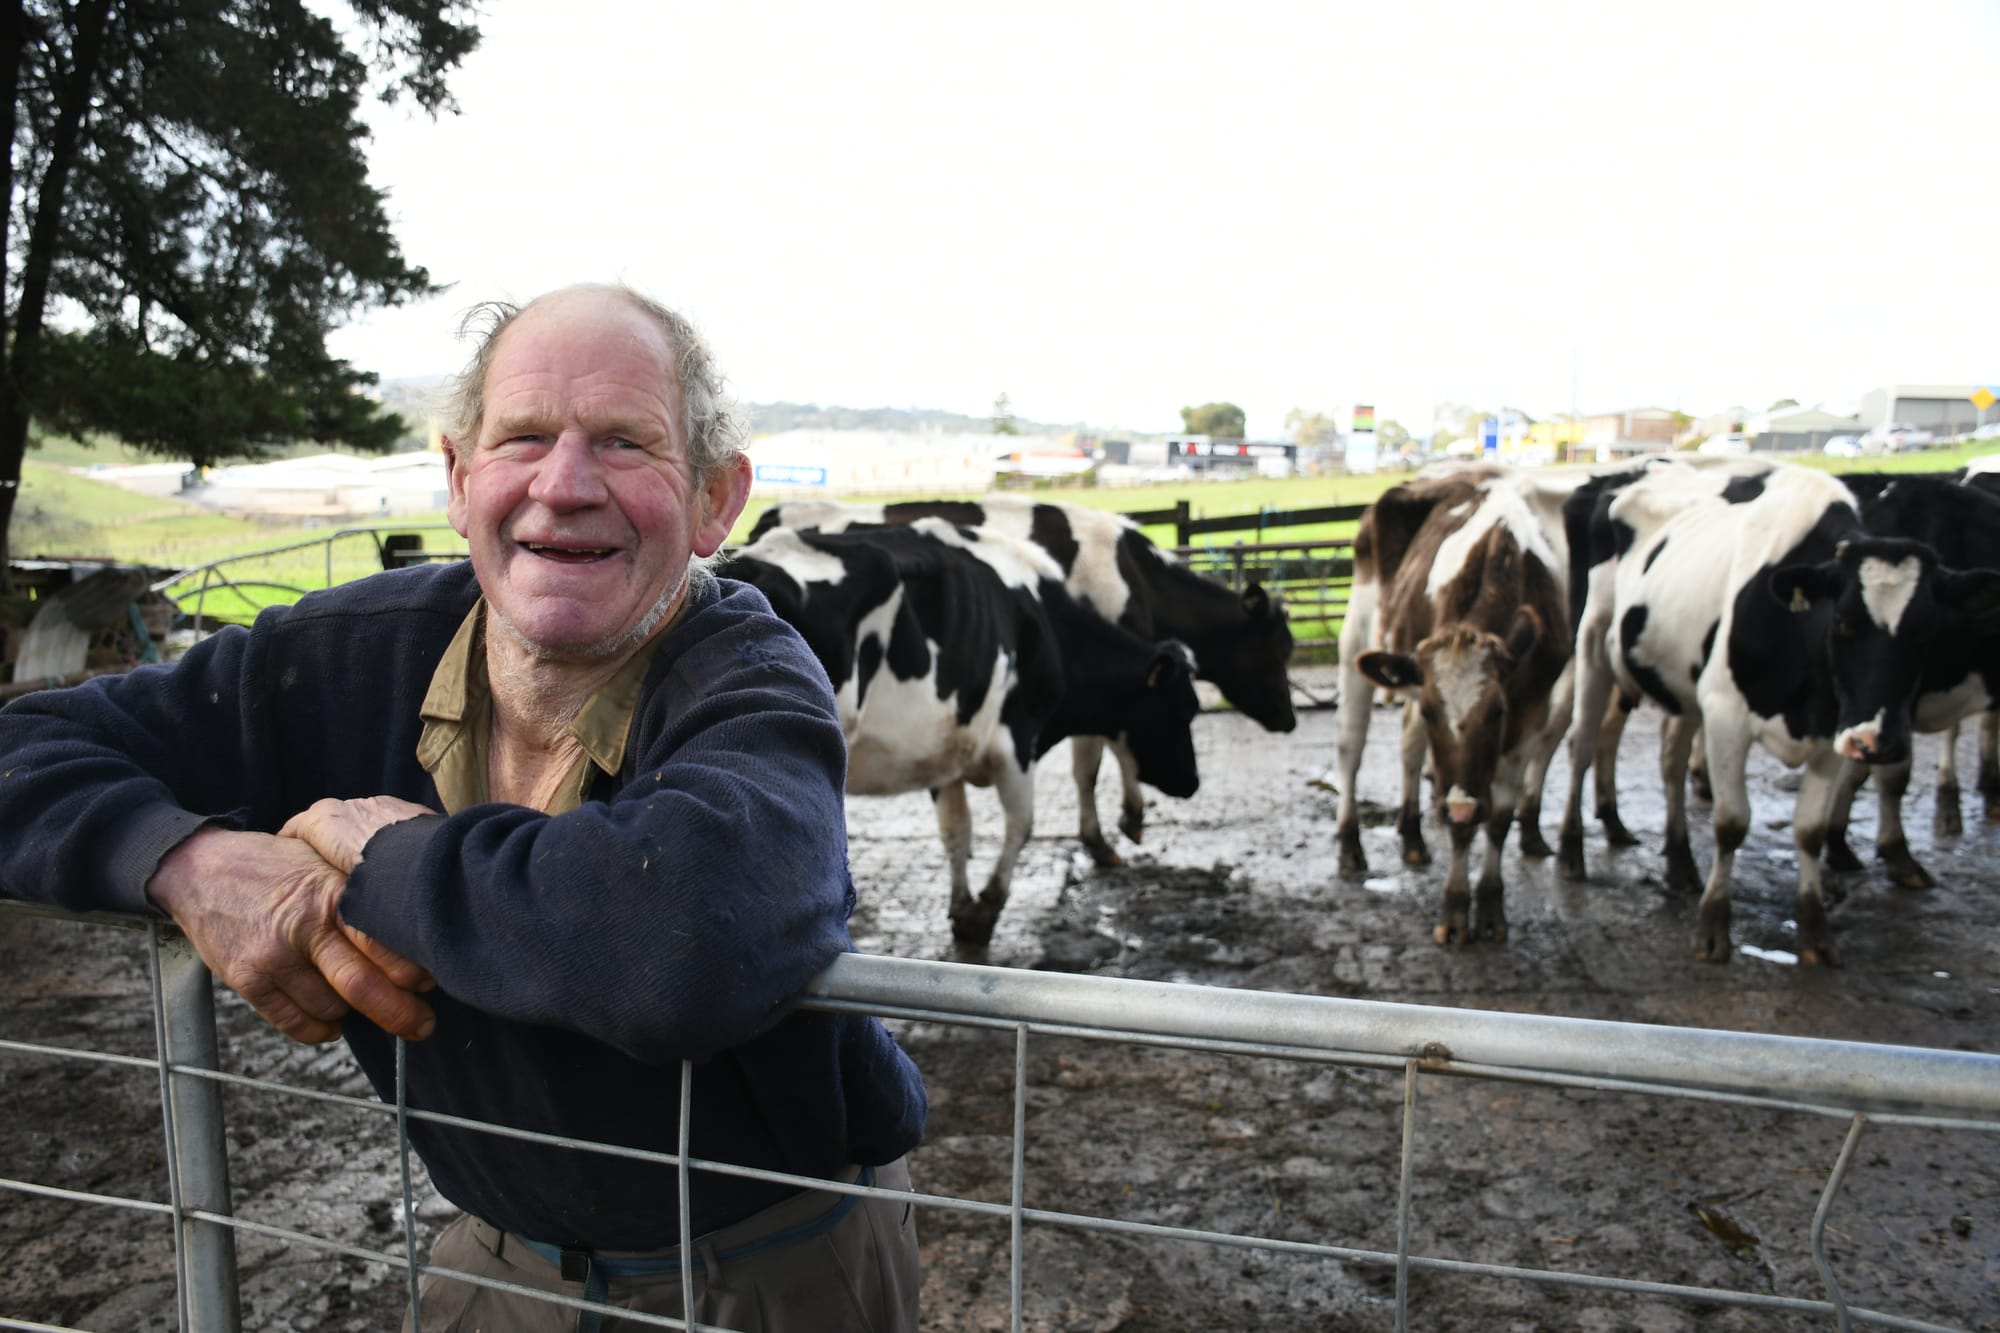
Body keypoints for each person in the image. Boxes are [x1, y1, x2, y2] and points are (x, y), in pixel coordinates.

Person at [0, 283, 927, 1332]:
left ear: (716, 499)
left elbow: (678, 942)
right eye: (522, 436)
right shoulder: (347, 652)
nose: (564, 484)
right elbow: (23, 747)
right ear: (457, 476)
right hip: (498, 1260)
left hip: (772, 1265)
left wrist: (389, 857)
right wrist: (194, 864)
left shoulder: (750, 679)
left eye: (625, 443)